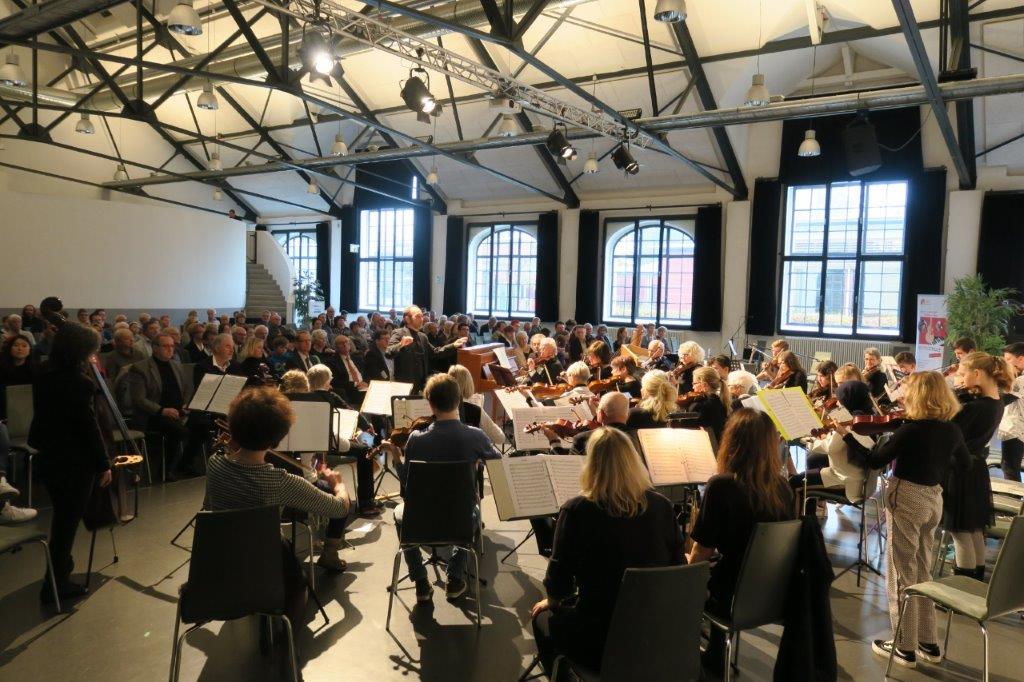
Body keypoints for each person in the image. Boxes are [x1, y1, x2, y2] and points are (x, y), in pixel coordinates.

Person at [839, 371, 970, 667]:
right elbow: (965, 464)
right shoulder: (952, 430)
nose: (904, 395)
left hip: (907, 498)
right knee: (922, 570)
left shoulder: (910, 431)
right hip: (933, 498)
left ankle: (904, 646)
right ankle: (928, 642)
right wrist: (934, 461)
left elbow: (874, 461)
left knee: (900, 572)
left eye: (908, 390)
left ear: (919, 396)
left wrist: (847, 435)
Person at [530, 427, 683, 675]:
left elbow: (558, 583)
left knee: (541, 618)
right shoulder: (663, 506)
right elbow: (677, 567)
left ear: (591, 465)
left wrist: (554, 602)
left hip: (600, 641)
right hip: (656, 635)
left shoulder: (576, 510)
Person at [206, 387, 352, 587]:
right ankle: (328, 555)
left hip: (219, 569)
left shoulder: (214, 464)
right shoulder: (282, 482)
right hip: (266, 573)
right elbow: (339, 508)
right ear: (276, 440)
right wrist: (339, 485)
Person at [687, 409, 794, 672]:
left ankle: (698, 661)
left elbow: (702, 549)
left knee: (681, 579)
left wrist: (685, 575)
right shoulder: (783, 487)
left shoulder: (722, 486)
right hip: (772, 593)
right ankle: (715, 655)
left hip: (730, 595)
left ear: (731, 443)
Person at [385, 374, 499, 604]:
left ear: (430, 403)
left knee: (399, 514)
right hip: (460, 521)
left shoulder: (416, 439)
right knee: (474, 512)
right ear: (458, 400)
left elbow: (407, 482)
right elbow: (498, 464)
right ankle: (455, 578)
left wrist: (397, 457)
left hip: (420, 522)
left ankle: (420, 582)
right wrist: (477, 461)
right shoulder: (475, 436)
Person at [28, 324, 112, 602]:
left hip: (49, 455)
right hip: (74, 462)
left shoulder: (42, 372)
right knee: (66, 524)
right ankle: (55, 584)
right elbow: (89, 428)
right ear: (81, 350)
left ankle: (58, 573)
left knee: (62, 520)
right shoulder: (79, 383)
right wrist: (104, 464)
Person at [946, 352, 1010, 580]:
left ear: (977, 373)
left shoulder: (976, 407)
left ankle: (961, 585)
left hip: (961, 469)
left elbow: (950, 434)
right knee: (973, 528)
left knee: (959, 531)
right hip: (976, 468)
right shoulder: (996, 402)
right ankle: (976, 576)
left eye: (962, 374)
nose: (959, 379)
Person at [790, 379, 878, 515]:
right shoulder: (868, 417)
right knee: (808, 472)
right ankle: (809, 518)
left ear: (850, 399)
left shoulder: (851, 423)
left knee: (794, 484)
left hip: (845, 480)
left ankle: (800, 527)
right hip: (859, 478)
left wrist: (806, 440)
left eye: (841, 399)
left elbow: (829, 448)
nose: (837, 403)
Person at [306, 364, 383, 518]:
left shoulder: (303, 396)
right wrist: (367, 426)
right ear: (327, 381)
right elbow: (350, 411)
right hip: (331, 444)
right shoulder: (331, 396)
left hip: (309, 446)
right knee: (365, 450)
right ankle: (366, 503)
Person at [127, 331, 199, 480]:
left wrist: (185, 404)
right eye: (165, 346)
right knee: (178, 431)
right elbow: (139, 399)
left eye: (172, 346)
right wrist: (162, 410)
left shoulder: (176, 365)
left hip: (178, 411)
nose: (170, 349)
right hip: (152, 415)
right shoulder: (140, 368)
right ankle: (165, 470)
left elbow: (186, 389)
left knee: (201, 424)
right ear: (155, 348)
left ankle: (186, 464)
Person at [386, 306, 467, 393]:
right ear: (407, 319)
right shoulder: (399, 333)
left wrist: (453, 345)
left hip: (422, 386)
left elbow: (435, 352)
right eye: (418, 316)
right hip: (405, 386)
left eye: (422, 316)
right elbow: (389, 352)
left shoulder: (423, 336)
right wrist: (401, 344)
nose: (421, 319)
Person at [448, 364, 505, 446]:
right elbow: (500, 438)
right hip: (469, 455)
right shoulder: (475, 409)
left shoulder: (441, 406)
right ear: (469, 383)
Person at [675, 366, 730, 443]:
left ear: (704, 385)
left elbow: (685, 427)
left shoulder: (701, 404)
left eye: (694, 383)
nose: (693, 387)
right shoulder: (719, 400)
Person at [1001, 342, 1024, 481]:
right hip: (1016, 430)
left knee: (1009, 469)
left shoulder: (1020, 381)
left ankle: (1013, 500)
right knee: (1009, 467)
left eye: (1008, 360)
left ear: (1021, 359)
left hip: (1015, 431)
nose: (1006, 364)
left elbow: (1002, 400)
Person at [0, 335, 36, 419]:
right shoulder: (2, 369)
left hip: (29, 411)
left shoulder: (35, 371)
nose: (20, 349)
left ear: (29, 349)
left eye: (24, 346)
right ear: (10, 348)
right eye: (16, 345)